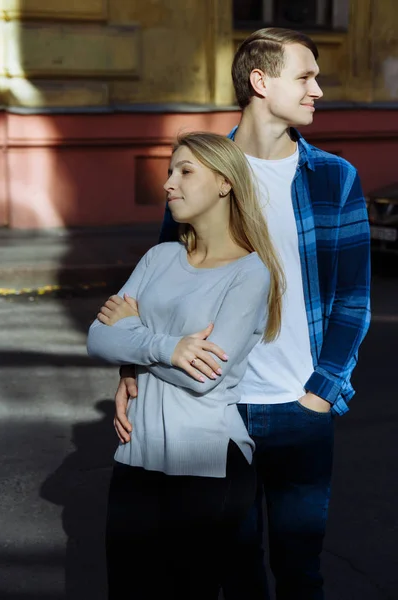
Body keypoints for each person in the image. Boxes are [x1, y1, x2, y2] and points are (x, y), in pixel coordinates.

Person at [114, 28, 371, 600]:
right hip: (215, 409)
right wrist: (130, 370)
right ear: (261, 81)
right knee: (233, 571)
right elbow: (158, 286)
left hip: (298, 409)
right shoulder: (199, 172)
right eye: (305, 77)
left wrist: (321, 392)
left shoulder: (333, 177)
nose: (318, 91)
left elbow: (353, 299)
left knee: (301, 571)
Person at [87, 132, 285, 600]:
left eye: (185, 171)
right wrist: (167, 348)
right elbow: (98, 338)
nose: (169, 184)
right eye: (169, 171)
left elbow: (204, 376)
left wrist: (136, 340)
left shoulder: (250, 272)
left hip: (207, 461)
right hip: (138, 453)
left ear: (224, 183)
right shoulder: (159, 257)